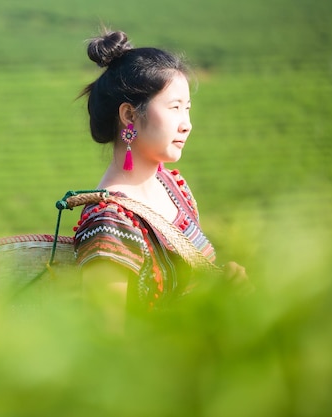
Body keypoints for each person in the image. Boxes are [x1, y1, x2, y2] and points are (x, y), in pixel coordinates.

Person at [73, 30, 249, 329]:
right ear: (129, 115)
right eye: (174, 108)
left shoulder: (172, 185)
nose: (187, 124)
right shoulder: (109, 221)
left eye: (188, 108)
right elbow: (110, 343)